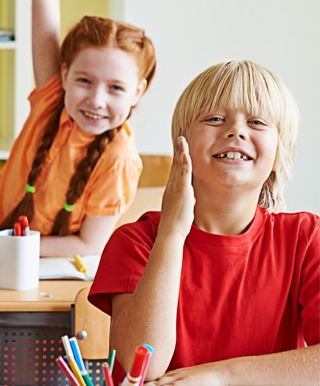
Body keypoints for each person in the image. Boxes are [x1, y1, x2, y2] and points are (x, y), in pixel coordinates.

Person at [89, 60, 319, 385]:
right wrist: (171, 232)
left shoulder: (306, 238)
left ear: (280, 154)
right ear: (181, 145)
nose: (235, 131)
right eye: (214, 119)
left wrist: (221, 376)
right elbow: (141, 366)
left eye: (256, 122)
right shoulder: (136, 242)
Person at [0, 0, 156, 259]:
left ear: (138, 92)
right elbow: (43, 1)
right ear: (65, 75)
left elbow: (91, 245)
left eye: (115, 88)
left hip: (38, 281)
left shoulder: (119, 161)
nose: (96, 100)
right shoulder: (52, 101)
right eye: (84, 81)